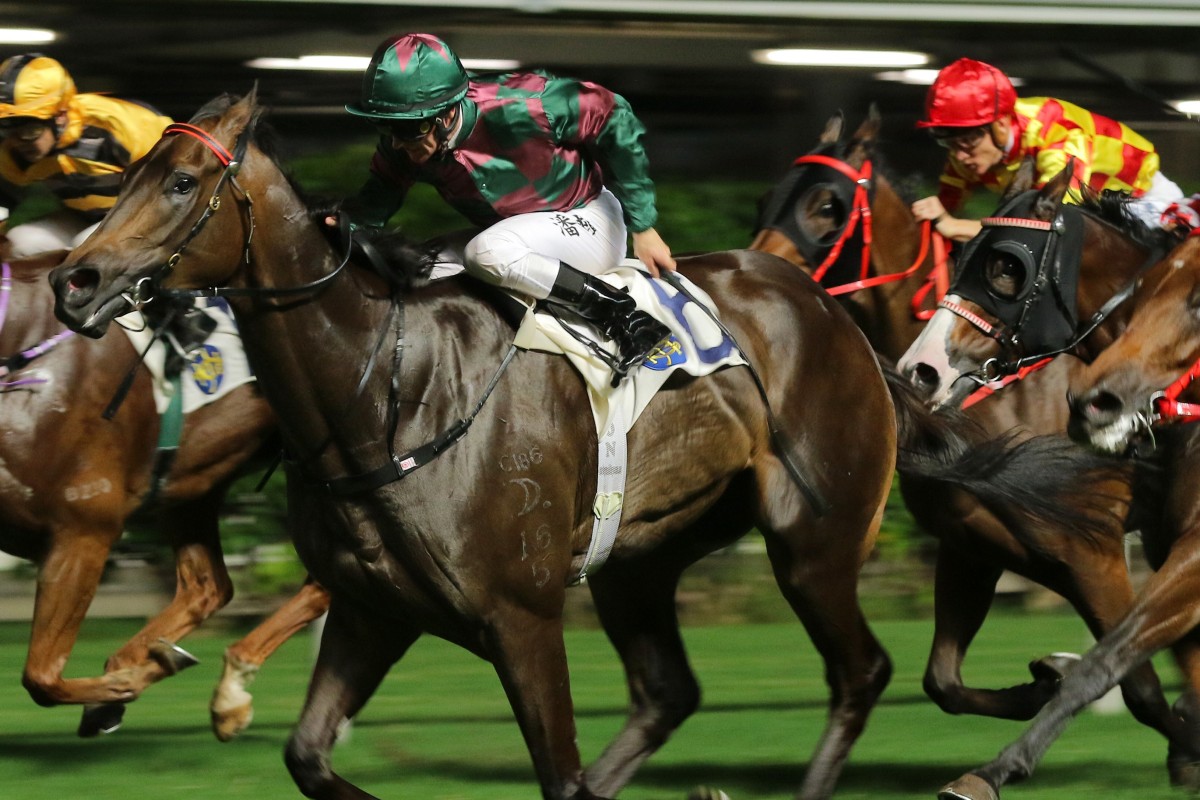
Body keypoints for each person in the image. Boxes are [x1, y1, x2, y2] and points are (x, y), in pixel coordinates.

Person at [337, 32, 675, 380]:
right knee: (419, 266)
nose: (396, 142)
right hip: (517, 234)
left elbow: (614, 114)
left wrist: (644, 225)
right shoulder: (407, 144)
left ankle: (626, 318)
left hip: (587, 220)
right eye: (387, 127)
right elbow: (378, 198)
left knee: (486, 252)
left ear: (446, 114)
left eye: (408, 129)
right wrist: (339, 229)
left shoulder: (528, 104)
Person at [910, 57, 1189, 242]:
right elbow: (942, 212)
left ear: (1000, 126)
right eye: (950, 142)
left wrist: (956, 226)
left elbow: (1045, 224)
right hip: (1088, 216)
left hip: (1140, 203)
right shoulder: (970, 149)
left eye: (967, 141)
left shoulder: (1057, 130)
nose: (958, 156)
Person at [0, 53, 172, 257]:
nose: (19, 142)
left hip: (146, 215)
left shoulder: (118, 125)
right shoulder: (12, 148)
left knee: (86, 248)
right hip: (83, 216)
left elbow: (176, 178)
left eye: (31, 131)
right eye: (9, 129)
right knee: (21, 242)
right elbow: (6, 198)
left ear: (61, 116)